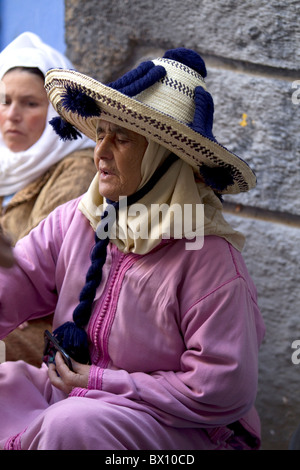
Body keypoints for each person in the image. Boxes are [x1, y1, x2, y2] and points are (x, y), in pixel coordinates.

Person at [0, 48, 265, 450]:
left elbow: (221, 390)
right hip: (72, 397)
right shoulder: (79, 219)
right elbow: (13, 281)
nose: (100, 152)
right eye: (101, 133)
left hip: (177, 427)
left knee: (70, 426)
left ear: (166, 159)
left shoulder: (209, 258)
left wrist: (98, 380)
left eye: (121, 138)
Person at [0, 32, 96, 365]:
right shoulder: (5, 166)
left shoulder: (78, 168)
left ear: (58, 112)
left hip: (43, 332)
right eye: (5, 101)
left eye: (29, 103)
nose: (12, 115)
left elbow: (40, 270)